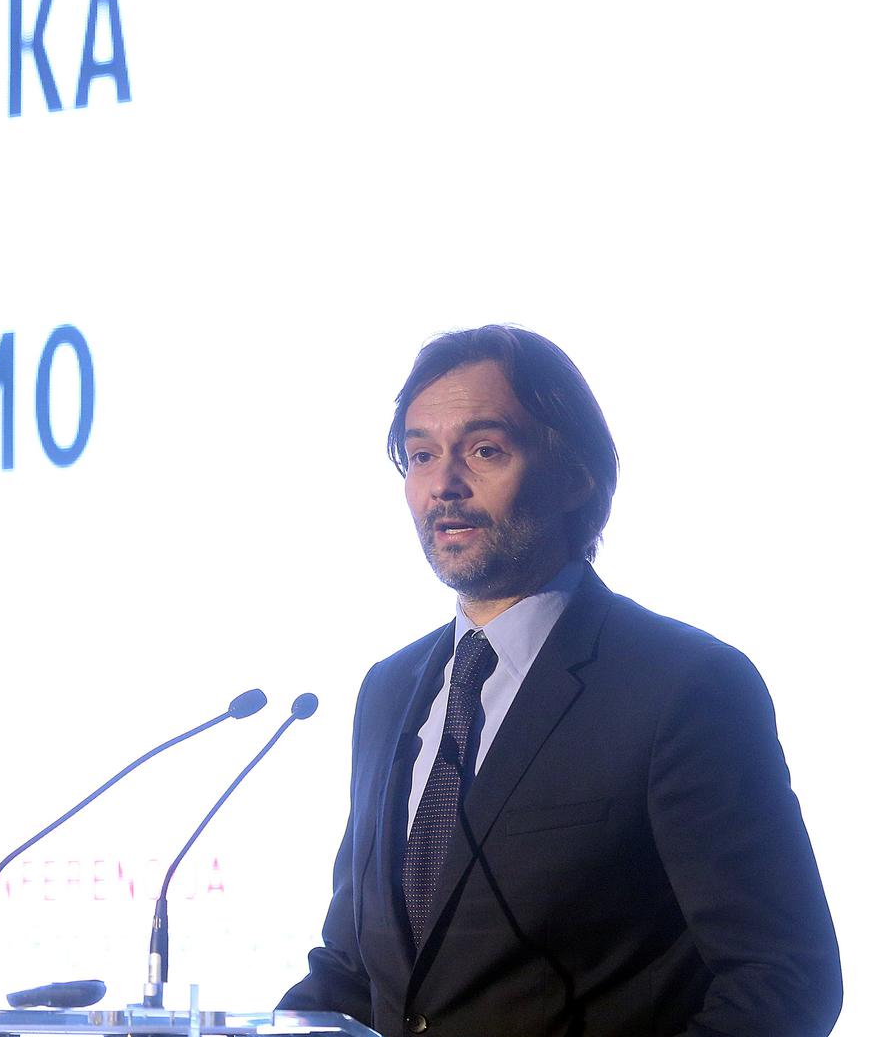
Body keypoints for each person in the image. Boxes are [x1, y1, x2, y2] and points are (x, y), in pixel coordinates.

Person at [279, 326, 841, 1036]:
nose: (444, 485)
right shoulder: (389, 689)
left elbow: (783, 979)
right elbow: (354, 968)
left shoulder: (682, 686)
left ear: (576, 475)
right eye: (422, 455)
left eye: (485, 450)